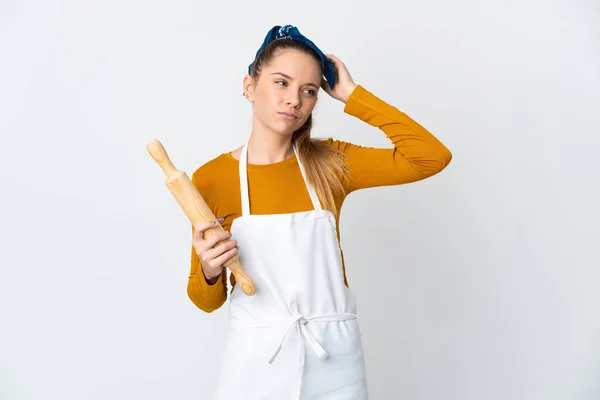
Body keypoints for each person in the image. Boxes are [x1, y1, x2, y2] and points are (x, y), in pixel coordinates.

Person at [187, 25, 452, 400]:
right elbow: (204, 300)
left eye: (308, 91)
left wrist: (353, 95)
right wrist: (211, 270)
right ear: (250, 86)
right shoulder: (211, 179)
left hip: (335, 365)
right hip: (254, 365)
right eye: (281, 82)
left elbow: (431, 157)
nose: (293, 99)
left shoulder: (331, 163)